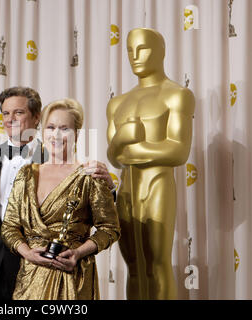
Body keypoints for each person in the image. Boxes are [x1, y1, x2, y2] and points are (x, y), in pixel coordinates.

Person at [0, 88, 115, 300]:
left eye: (18, 112)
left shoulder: (55, 158)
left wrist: (110, 187)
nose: (10, 119)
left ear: (37, 117)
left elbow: (99, 215)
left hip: (34, 270)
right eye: (5, 113)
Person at [1, 98, 121, 300]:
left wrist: (78, 253)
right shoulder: (26, 174)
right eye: (51, 127)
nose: (56, 135)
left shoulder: (90, 175)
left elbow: (110, 228)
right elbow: (9, 226)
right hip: (29, 280)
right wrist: (27, 253)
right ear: (42, 132)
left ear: (77, 133)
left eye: (64, 128)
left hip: (72, 281)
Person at [106, 28, 195, 299]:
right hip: (127, 189)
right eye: (130, 51)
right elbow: (113, 156)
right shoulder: (117, 103)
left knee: (157, 261)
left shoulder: (177, 95)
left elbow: (179, 151)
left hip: (158, 183)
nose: (135, 57)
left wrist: (134, 145)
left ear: (161, 51)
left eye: (142, 49)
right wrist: (123, 138)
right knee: (133, 265)